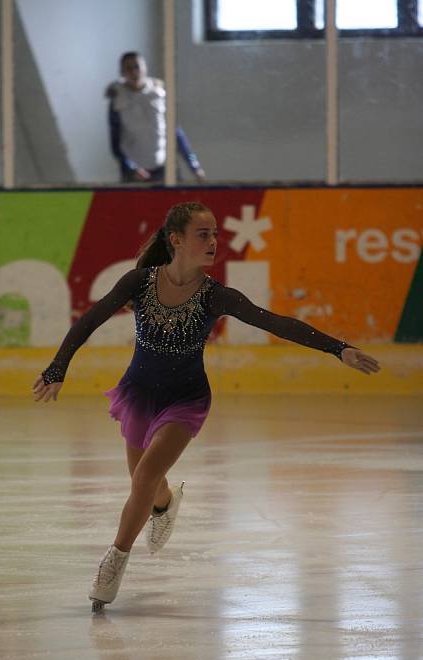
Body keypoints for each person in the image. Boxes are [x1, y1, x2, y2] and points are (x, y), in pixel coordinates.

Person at [33, 201, 381, 613]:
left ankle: (113, 563)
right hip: (139, 394)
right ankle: (165, 504)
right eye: (204, 234)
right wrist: (58, 367)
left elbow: (275, 322)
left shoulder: (216, 296)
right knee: (145, 485)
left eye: (215, 233)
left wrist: (337, 348)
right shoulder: (139, 282)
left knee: (145, 474)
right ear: (176, 240)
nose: (214, 241)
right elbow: (89, 319)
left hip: (186, 399)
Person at [106, 52, 206, 183]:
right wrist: (130, 167)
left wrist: (194, 166)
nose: (134, 72)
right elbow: (115, 143)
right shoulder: (118, 100)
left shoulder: (159, 94)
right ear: (122, 72)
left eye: (137, 67)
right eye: (128, 68)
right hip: (135, 175)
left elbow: (176, 133)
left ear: (144, 68)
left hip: (164, 169)